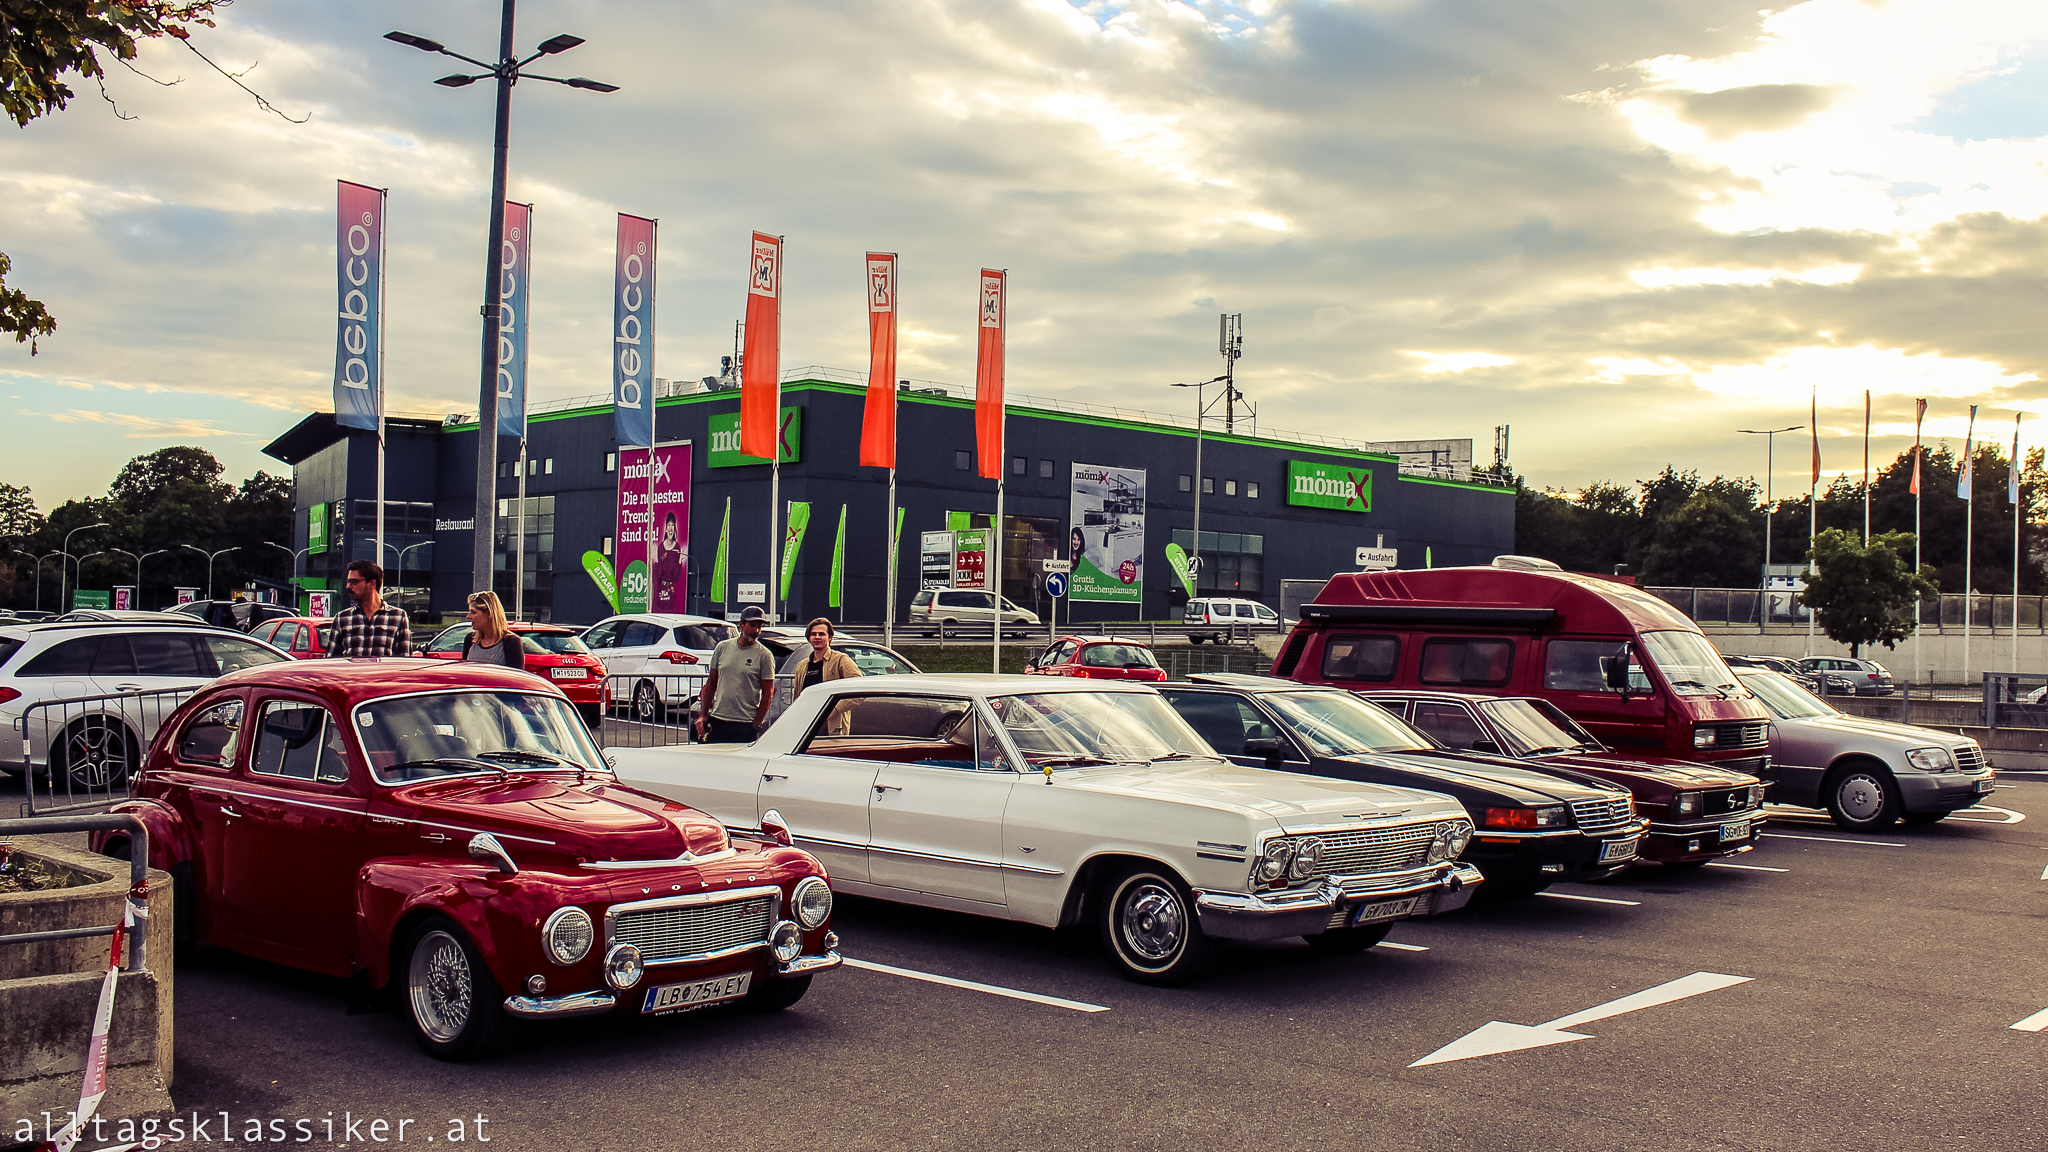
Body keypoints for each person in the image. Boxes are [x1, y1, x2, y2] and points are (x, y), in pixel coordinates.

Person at [696, 605, 776, 743]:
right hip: (719, 719)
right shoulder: (722, 648)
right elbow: (711, 683)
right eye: (752, 625)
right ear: (741, 625)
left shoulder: (764, 655)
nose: (756, 630)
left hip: (746, 723)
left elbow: (768, 692)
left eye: (759, 626)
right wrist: (703, 715)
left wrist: (757, 722)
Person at [789, 617, 862, 735]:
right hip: (806, 726)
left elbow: (859, 689)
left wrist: (835, 709)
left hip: (832, 725)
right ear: (809, 638)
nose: (817, 637)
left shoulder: (841, 660)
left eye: (822, 634)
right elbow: (798, 697)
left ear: (830, 637)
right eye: (813, 634)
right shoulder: (802, 665)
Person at [327, 560, 411, 658]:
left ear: (372, 584)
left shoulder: (398, 616)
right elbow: (332, 660)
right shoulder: (342, 618)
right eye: (348, 581)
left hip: (383, 668)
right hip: (351, 669)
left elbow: (404, 659)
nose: (348, 586)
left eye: (354, 582)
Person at [459, 591, 528, 673]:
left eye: (473, 612)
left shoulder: (511, 642)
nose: (468, 616)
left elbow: (516, 677)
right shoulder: (470, 639)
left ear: (490, 613)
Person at [651, 511, 686, 613]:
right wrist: (657, 561)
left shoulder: (677, 548)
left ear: (675, 529)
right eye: (668, 525)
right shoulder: (660, 548)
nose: (670, 528)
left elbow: (676, 577)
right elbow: (657, 577)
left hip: (671, 591)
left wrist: (680, 561)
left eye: (673, 525)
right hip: (660, 591)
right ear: (666, 529)